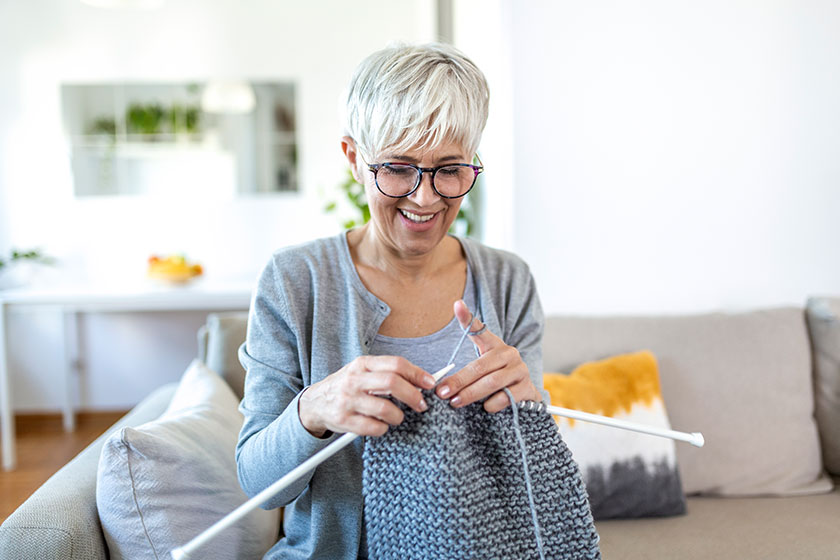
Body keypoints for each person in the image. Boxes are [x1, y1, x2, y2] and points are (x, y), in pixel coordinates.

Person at [236, 42, 547, 559]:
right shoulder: (294, 281)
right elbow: (258, 483)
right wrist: (314, 409)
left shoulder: (508, 281)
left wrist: (530, 409)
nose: (425, 199)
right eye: (399, 168)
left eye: (450, 169)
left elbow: (530, 484)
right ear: (355, 158)